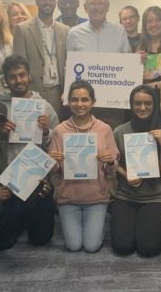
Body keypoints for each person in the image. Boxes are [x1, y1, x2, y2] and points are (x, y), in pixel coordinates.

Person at [49, 80, 119, 252]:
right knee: (73, 246)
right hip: (68, 198)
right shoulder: (59, 130)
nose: (79, 104)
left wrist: (110, 161)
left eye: (85, 99)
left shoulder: (104, 129)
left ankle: (98, 225)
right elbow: (54, 172)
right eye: (74, 100)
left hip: (97, 198)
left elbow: (112, 170)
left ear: (93, 101)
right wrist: (52, 162)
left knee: (91, 246)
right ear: (68, 102)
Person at [0, 55, 58, 246]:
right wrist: (1, 134)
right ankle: (18, 220)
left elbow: (56, 145)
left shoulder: (44, 107)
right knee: (1, 243)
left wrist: (47, 131)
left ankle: (27, 218)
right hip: (8, 181)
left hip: (37, 180)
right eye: (12, 76)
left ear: (29, 76)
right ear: (6, 81)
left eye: (22, 75)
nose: (18, 80)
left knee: (41, 239)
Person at [110, 85, 161, 257]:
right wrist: (126, 174)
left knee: (148, 249)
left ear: (154, 105)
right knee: (122, 247)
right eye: (137, 103)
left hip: (155, 197)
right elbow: (113, 163)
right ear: (131, 105)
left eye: (147, 103)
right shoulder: (119, 131)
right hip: (126, 195)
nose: (142, 108)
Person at [66, 0, 132, 129]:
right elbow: (68, 68)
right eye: (92, 3)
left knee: (111, 146)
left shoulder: (119, 31)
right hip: (83, 105)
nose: (96, 7)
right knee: (85, 142)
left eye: (101, 3)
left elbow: (128, 64)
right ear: (85, 7)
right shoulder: (74, 34)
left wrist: (138, 62)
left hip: (113, 106)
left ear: (108, 6)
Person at [13, 0, 69, 116]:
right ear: (36, 0)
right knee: (35, 132)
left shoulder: (65, 30)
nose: (47, 2)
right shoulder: (23, 29)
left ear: (55, 2)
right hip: (33, 91)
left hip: (58, 93)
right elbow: (18, 65)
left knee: (56, 131)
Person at [136, 6, 161, 89]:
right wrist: (135, 63)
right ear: (145, 25)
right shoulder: (138, 48)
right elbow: (132, 81)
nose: (154, 24)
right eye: (149, 22)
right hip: (144, 98)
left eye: (157, 20)